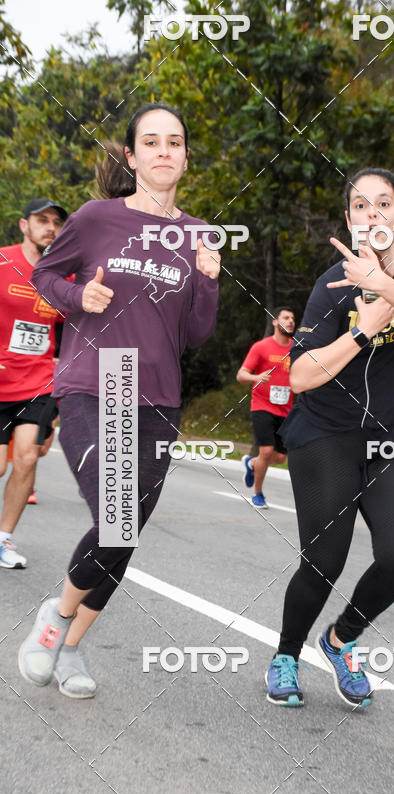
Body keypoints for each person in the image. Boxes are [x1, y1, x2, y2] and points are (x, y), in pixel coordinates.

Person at [18, 102, 219, 698]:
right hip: (95, 381)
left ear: (186, 157)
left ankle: (69, 646)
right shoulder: (96, 219)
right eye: (150, 142)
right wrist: (79, 298)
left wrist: (208, 281)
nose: (163, 151)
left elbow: (196, 335)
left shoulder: (198, 235)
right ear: (132, 157)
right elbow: (44, 277)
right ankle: (55, 620)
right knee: (117, 516)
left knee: (122, 534)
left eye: (174, 142)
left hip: (158, 396)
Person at [265, 167, 394, 708]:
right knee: (325, 560)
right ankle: (285, 654)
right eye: (361, 206)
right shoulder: (331, 285)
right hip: (326, 432)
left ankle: (340, 638)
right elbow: (300, 375)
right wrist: (361, 327)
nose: (373, 214)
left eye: (384, 204)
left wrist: (382, 285)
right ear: (349, 220)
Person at [0, 198, 68, 568]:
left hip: (39, 383)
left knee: (27, 457)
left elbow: (73, 326)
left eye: (56, 222)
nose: (50, 228)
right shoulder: (2, 261)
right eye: (42, 220)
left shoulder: (62, 277)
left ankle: (3, 539)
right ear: (24, 225)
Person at [236, 306, 295, 508]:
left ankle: (252, 463)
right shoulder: (261, 347)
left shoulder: (296, 349)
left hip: (286, 409)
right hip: (262, 406)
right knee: (267, 451)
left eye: (293, 318)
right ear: (275, 321)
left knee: (280, 457)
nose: (290, 321)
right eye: (286, 318)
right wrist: (256, 377)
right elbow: (241, 375)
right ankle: (258, 494)